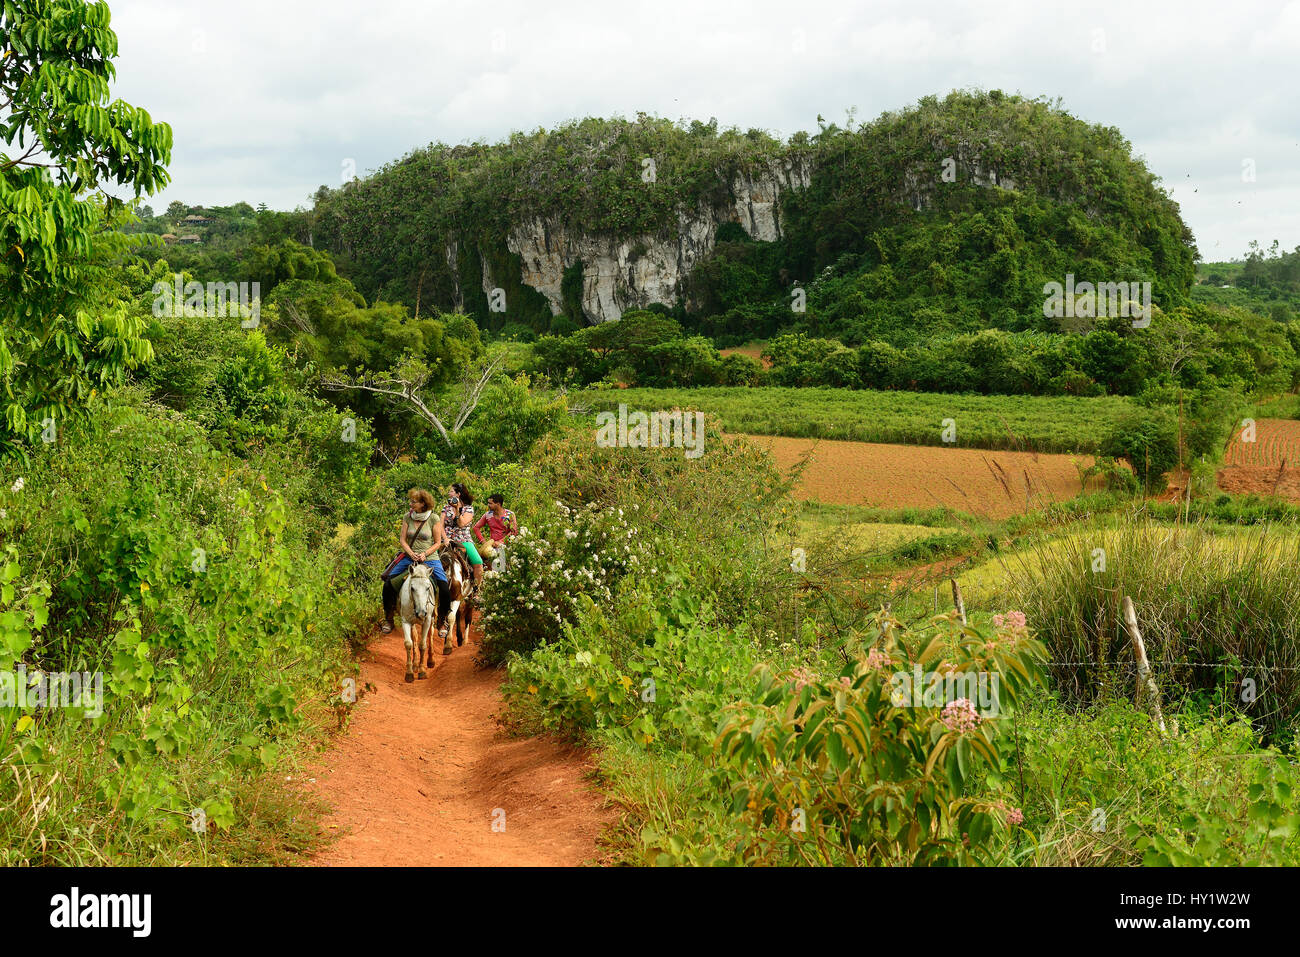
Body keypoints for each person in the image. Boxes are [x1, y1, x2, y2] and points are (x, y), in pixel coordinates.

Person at [381, 488, 450, 636]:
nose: (410, 504)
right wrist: (411, 553)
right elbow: (402, 539)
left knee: (444, 588)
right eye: (411, 501)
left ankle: (442, 621)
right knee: (388, 584)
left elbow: (438, 543)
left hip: (430, 558)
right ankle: (389, 618)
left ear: (423, 504)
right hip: (408, 557)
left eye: (414, 502)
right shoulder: (408, 517)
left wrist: (425, 554)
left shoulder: (434, 518)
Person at [443, 482, 484, 592]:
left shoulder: (468, 509)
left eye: (451, 491)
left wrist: (456, 509)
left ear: (458, 494)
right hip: (446, 539)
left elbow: (461, 523)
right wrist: (444, 538)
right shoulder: (446, 508)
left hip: (463, 539)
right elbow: (440, 525)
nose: (449, 493)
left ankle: (476, 591)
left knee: (478, 563)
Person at [472, 493, 518, 570]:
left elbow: (514, 531)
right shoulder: (488, 515)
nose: (488, 505)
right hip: (491, 547)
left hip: (507, 546)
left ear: (498, 504)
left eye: (490, 503)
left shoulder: (509, 514)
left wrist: (501, 541)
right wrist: (484, 542)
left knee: (502, 570)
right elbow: (476, 528)